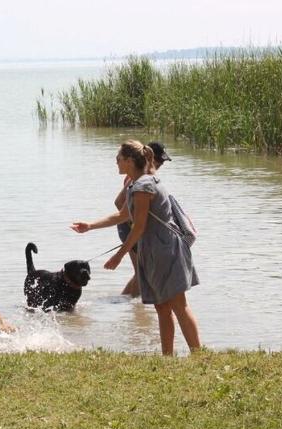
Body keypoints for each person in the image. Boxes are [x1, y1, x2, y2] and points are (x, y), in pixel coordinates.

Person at [71, 140, 201, 355]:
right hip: (156, 250)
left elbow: (138, 227)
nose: (116, 162)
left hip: (165, 250)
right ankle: (168, 357)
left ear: (130, 161)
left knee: (178, 304)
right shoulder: (138, 183)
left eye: (119, 159)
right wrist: (90, 226)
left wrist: (118, 256)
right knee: (162, 307)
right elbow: (123, 214)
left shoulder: (143, 186)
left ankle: (199, 355)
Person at [113, 142, 170, 297]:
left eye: (163, 162)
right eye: (160, 161)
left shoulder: (145, 179)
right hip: (128, 228)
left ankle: (127, 303)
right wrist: (136, 224)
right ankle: (127, 305)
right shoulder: (137, 180)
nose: (160, 165)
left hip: (133, 227)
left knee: (140, 273)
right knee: (141, 273)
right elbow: (119, 203)